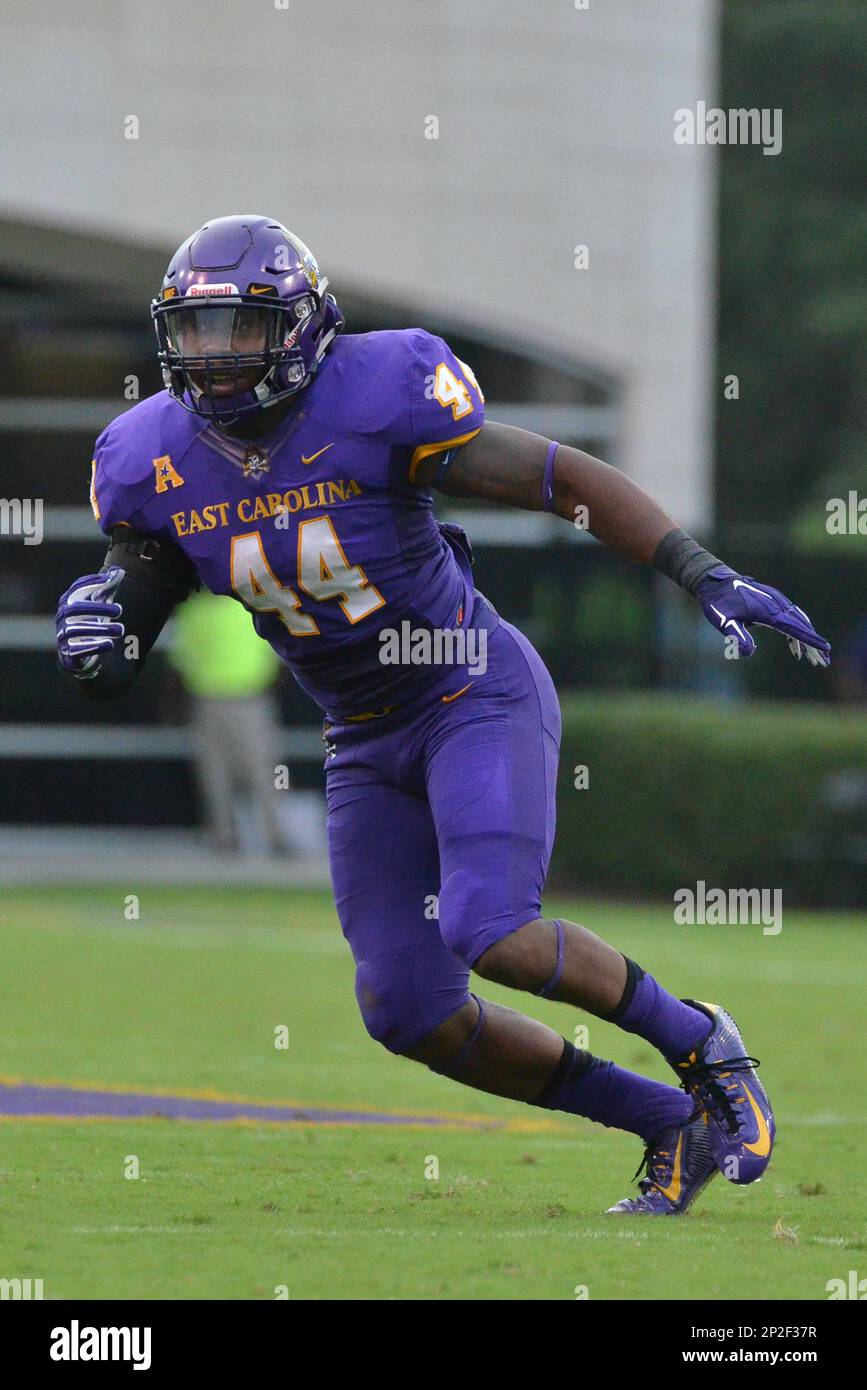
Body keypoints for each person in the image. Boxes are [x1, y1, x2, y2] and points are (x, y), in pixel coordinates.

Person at [55, 216, 830, 1214]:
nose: (214, 357)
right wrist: (103, 640)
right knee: (407, 1009)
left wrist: (698, 567)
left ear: (297, 328)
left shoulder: (379, 398)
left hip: (472, 688)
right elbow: (135, 604)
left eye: (238, 329)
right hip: (364, 738)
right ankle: (663, 1121)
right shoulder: (149, 456)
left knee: (489, 925)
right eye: (195, 333)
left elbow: (559, 477)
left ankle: (700, 1041)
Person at [166, 589, 291, 856]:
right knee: (216, 773)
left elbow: (275, 655)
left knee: (261, 769)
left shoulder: (249, 607)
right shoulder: (199, 611)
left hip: (247, 698)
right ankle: (226, 839)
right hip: (212, 698)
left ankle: (275, 836)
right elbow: (181, 660)